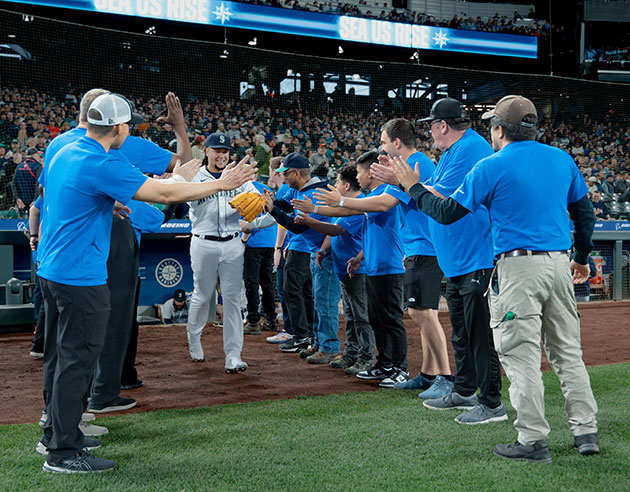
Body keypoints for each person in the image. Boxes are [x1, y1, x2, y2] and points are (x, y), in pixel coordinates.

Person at [37, 93, 256, 474]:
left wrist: (110, 203)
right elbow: (166, 192)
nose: (131, 129)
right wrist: (224, 182)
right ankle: (62, 451)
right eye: (129, 125)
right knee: (77, 359)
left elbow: (66, 194)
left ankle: (58, 431)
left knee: (61, 356)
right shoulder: (100, 161)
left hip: (52, 268)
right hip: (80, 274)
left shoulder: (65, 144)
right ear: (119, 128)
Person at [394, 95, 599, 463]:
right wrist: (582, 258)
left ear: (499, 130)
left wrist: (413, 186)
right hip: (558, 263)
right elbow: (585, 214)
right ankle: (586, 432)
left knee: (520, 356)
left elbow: (445, 212)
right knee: (568, 353)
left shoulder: (491, 165)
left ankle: (533, 439)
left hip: (517, 269)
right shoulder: (561, 158)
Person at [378, 100, 505, 421]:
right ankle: (463, 390)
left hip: (476, 254)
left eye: (431, 126)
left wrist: (408, 185)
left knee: (478, 333)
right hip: (459, 257)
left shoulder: (469, 149)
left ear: (442, 126)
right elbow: (432, 191)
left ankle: (491, 402)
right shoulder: (453, 152)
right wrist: (403, 183)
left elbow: (442, 201)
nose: (430, 132)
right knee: (462, 331)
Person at [304, 151, 408, 386]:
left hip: (390, 265)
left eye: (360, 171)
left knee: (391, 319)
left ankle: (400, 368)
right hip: (374, 265)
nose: (358, 176)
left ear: (371, 172)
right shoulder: (373, 195)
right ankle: (385, 364)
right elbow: (346, 212)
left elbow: (367, 208)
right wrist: (316, 209)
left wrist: (336, 202)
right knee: (377, 319)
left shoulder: (387, 192)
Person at [185, 132, 258, 373]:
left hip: (232, 243)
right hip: (203, 242)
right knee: (203, 295)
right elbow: (189, 198)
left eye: (225, 151)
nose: (222, 155)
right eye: (217, 150)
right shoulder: (196, 176)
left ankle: (233, 355)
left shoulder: (239, 177)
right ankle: (193, 336)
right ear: (206, 151)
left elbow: (256, 199)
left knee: (232, 299)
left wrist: (260, 199)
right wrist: (219, 185)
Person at [293, 165, 375, 375]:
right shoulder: (347, 206)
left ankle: (365, 357)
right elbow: (334, 230)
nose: (335, 186)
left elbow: (336, 229)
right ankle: (352, 353)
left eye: (337, 182)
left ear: (346, 186)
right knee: (350, 314)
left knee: (360, 315)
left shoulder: (357, 206)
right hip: (345, 268)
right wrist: (323, 249)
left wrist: (311, 220)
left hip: (358, 270)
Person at [264, 152, 341, 364]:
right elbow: (289, 205)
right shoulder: (304, 189)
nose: (284, 178)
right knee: (318, 302)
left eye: (286, 174)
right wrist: (273, 201)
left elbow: (297, 227)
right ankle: (319, 341)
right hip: (317, 252)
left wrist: (272, 210)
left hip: (327, 253)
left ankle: (329, 347)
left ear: (296, 173)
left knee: (325, 303)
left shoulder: (314, 193)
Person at [241, 177, 278, 335]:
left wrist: (243, 242)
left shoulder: (245, 191)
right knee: (267, 283)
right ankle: (271, 319)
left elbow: (246, 223)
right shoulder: (264, 189)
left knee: (252, 283)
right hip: (270, 242)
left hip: (254, 243)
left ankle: (254, 321)